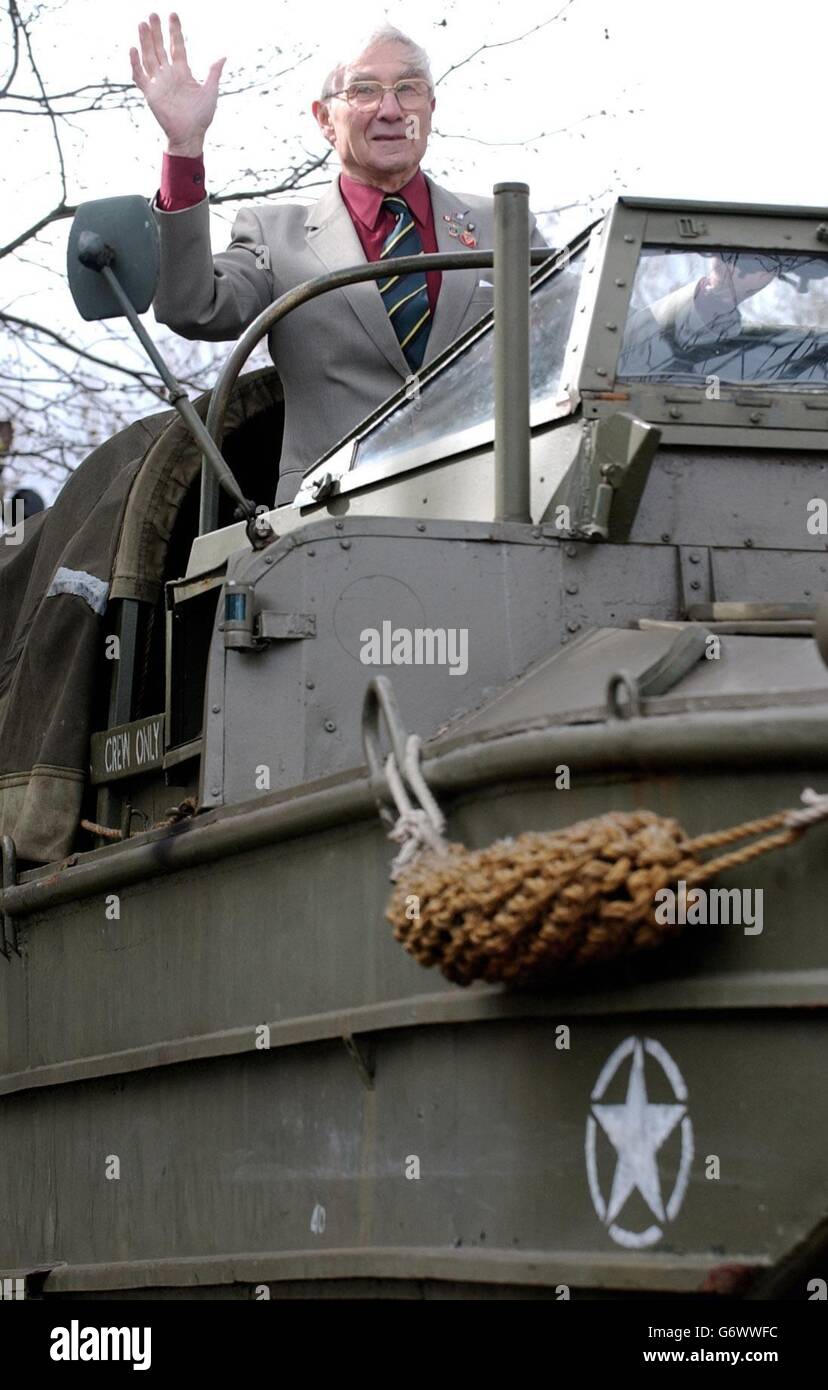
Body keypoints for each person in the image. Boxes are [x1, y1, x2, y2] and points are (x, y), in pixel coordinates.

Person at [131, 14, 548, 505]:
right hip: (327, 523)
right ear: (325, 118)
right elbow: (192, 307)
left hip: (490, 506)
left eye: (409, 89)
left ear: (431, 109)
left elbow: (563, 336)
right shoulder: (276, 236)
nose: (390, 110)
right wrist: (184, 150)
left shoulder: (503, 222)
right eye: (364, 91)